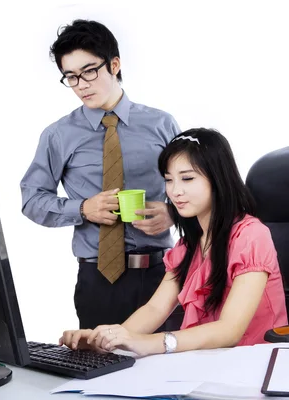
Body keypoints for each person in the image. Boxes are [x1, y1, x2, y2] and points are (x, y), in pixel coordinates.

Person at [59, 128, 289, 356]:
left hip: (254, 365)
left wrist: (148, 343)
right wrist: (106, 339)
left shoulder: (251, 236)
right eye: (169, 180)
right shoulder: (188, 246)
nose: (175, 191)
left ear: (218, 179)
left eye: (187, 178)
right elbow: (155, 308)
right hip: (206, 364)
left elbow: (230, 331)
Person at [20, 20, 182, 331]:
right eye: (71, 77)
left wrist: (173, 213)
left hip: (161, 277)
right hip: (98, 281)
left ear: (115, 64)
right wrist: (82, 208)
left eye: (89, 71)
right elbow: (31, 199)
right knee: (101, 372)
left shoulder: (162, 124)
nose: (81, 84)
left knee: (167, 370)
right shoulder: (58, 135)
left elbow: (199, 191)